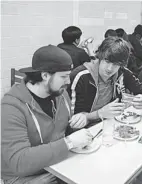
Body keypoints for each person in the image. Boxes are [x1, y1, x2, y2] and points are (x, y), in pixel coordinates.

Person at [1, 45, 93, 184]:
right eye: (64, 76)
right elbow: (19, 161)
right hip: (25, 176)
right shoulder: (11, 108)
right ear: (44, 75)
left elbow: (62, 130)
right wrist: (69, 143)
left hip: (56, 165)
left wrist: (79, 122)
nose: (68, 81)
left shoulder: (60, 94)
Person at [67, 37, 142, 127]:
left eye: (116, 64)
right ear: (100, 56)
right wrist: (99, 113)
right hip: (84, 131)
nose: (110, 68)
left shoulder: (123, 73)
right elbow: (71, 120)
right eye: (107, 61)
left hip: (111, 125)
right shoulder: (81, 76)